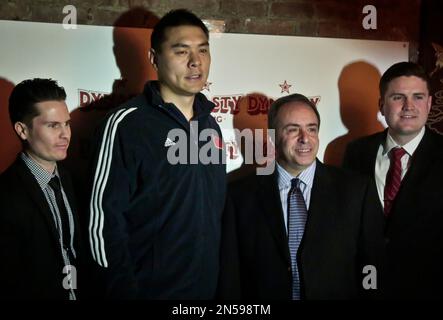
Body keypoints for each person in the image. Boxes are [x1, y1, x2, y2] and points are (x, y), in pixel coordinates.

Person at [88, 9, 226, 299]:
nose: (195, 61)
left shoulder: (210, 124)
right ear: (154, 58)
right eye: (181, 51)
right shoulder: (126, 124)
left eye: (203, 50)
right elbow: (102, 224)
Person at [218, 93, 372, 300]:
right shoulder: (239, 196)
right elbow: (230, 276)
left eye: (311, 129)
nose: (304, 138)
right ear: (272, 135)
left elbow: (372, 263)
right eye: (292, 129)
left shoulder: (356, 190)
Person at [343, 61, 443, 299]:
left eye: (418, 97)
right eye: (398, 97)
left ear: (429, 103)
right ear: (381, 104)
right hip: (365, 289)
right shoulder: (356, 152)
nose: (409, 106)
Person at [0, 78, 80, 300]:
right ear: (22, 130)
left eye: (67, 123)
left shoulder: (74, 181)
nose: (65, 134)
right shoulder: (5, 196)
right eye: (53, 125)